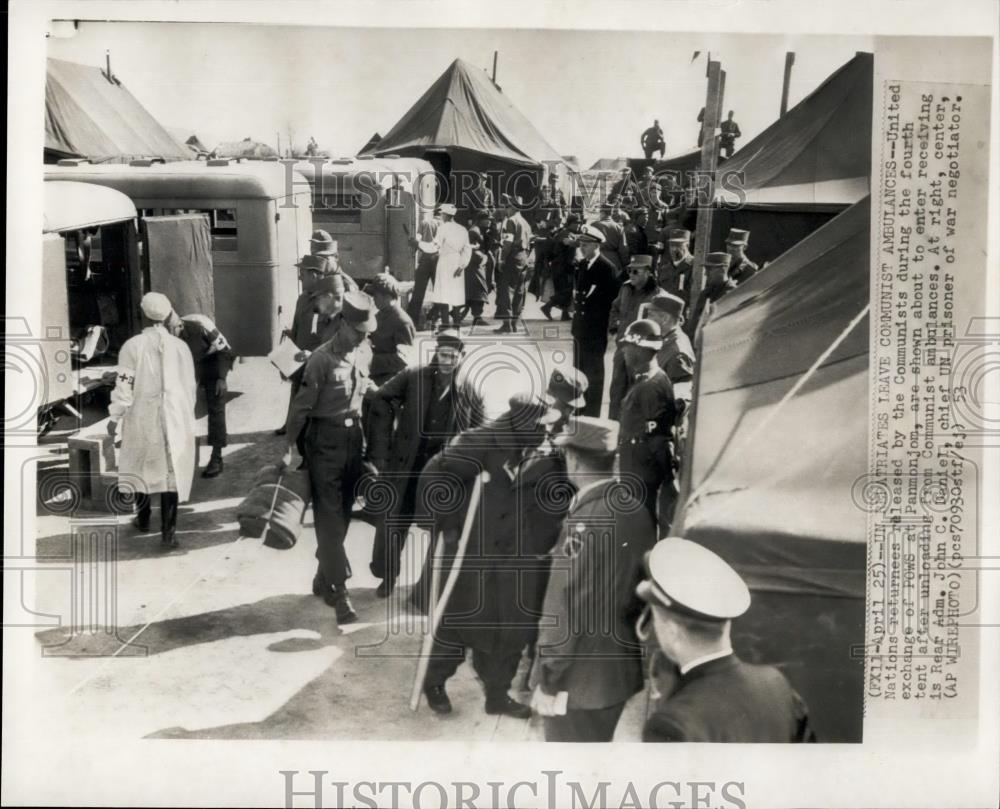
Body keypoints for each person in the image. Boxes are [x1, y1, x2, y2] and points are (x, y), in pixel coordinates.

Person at [420, 393, 561, 719]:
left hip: (516, 558)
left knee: (510, 629)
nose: (547, 432)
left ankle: (497, 695)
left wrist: (544, 539)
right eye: (542, 426)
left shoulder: (545, 451)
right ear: (521, 422)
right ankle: (435, 682)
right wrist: (449, 526)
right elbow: (434, 474)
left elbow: (555, 499)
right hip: (474, 552)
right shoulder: (479, 441)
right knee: (457, 624)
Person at [530, 416, 656, 742]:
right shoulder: (636, 509)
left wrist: (548, 679)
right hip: (618, 675)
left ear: (573, 459)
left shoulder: (583, 522)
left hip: (577, 684)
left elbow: (563, 608)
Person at [637, 538, 817, 743]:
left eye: (656, 620)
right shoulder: (776, 683)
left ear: (672, 630)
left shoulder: (670, 725)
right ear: (726, 625)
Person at [365, 329, 486, 598]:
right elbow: (381, 398)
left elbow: (481, 432)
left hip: (442, 472)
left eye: (453, 357)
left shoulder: (470, 391)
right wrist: (382, 448)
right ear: (436, 354)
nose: (447, 362)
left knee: (440, 529)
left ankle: (428, 586)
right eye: (443, 355)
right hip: (407, 464)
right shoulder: (413, 376)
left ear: (461, 358)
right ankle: (388, 576)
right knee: (395, 522)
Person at [283, 291, 378, 624]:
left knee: (343, 517)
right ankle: (340, 590)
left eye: (367, 331)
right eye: (359, 330)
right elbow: (300, 409)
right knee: (329, 516)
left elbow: (366, 392)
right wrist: (291, 449)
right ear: (343, 324)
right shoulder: (321, 359)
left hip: (354, 440)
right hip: (323, 442)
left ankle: (324, 577)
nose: (364, 337)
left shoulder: (363, 351)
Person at [108, 292, 197, 549]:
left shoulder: (131, 346)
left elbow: (124, 385)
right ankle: (168, 533)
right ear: (169, 314)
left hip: (141, 414)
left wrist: (116, 415)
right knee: (171, 469)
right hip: (175, 414)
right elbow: (190, 385)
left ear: (141, 314)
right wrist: (185, 413)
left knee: (139, 460)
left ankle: (143, 517)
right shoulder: (181, 347)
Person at [617, 319, 678, 531]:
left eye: (628, 346)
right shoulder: (651, 378)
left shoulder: (650, 387)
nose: (624, 350)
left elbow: (658, 438)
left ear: (641, 350)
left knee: (639, 525)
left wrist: (668, 478)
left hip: (642, 469)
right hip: (637, 463)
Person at [165, 310, 235, 478]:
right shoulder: (165, 333)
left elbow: (225, 350)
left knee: (216, 407)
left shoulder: (201, 325)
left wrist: (221, 377)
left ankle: (216, 458)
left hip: (212, 365)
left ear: (178, 324)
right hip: (190, 368)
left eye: (171, 330)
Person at [571, 226, 619, 417]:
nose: (582, 248)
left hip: (595, 330)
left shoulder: (607, 268)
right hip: (580, 329)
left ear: (596, 245)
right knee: (578, 372)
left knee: (594, 374)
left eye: (585, 245)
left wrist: (609, 326)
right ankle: (578, 410)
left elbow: (611, 302)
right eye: (581, 244)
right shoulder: (582, 265)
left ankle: (592, 414)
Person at [607, 254, 661, 421]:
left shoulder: (658, 295)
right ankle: (612, 428)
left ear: (648, 273)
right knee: (616, 392)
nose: (631, 275)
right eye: (629, 271)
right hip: (623, 348)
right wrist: (615, 326)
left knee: (636, 392)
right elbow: (615, 307)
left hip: (641, 353)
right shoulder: (625, 289)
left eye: (636, 271)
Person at [421, 203, 471, 330]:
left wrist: (419, 244)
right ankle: (457, 325)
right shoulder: (463, 229)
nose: (441, 215)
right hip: (457, 261)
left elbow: (434, 247)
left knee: (443, 294)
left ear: (445, 215)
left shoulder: (443, 228)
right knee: (456, 294)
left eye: (442, 213)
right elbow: (467, 249)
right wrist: (462, 265)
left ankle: (445, 325)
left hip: (445, 262)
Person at [365, 273, 415, 385]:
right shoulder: (379, 315)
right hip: (373, 375)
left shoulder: (403, 322)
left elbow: (402, 360)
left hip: (390, 381)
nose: (373, 300)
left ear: (387, 297)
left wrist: (371, 360)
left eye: (376, 296)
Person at [494, 194, 533, 334]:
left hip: (512, 257)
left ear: (512, 207)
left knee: (506, 290)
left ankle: (506, 325)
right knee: (519, 292)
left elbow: (507, 243)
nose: (506, 209)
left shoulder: (511, 221)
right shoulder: (525, 223)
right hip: (524, 257)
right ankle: (515, 324)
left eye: (507, 207)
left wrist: (502, 259)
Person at [540, 213, 581, 322]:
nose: (579, 225)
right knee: (565, 291)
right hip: (562, 267)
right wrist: (581, 242)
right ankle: (547, 307)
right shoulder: (565, 234)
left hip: (563, 266)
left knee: (564, 290)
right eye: (577, 223)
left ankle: (565, 314)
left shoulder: (567, 232)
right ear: (571, 223)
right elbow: (567, 243)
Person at [688, 252, 737, 338]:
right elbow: (694, 324)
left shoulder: (732, 294)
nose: (706, 274)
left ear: (723, 269)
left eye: (710, 269)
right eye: (706, 269)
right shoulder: (705, 293)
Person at [406, 211, 441, 330]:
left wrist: (414, 245)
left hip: (425, 259)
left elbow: (418, 239)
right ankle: (434, 320)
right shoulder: (443, 225)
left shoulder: (424, 222)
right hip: (438, 259)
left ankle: (412, 322)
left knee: (418, 292)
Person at [458, 226, 491, 326]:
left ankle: (462, 315)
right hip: (473, 270)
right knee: (477, 294)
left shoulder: (480, 231)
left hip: (474, 270)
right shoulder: (473, 232)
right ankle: (476, 317)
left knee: (473, 295)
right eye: (486, 220)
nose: (488, 223)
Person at [592, 203, 630, 278]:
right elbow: (623, 249)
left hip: (598, 259)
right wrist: (625, 264)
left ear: (602, 213)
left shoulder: (594, 225)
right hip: (614, 261)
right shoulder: (618, 227)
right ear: (611, 213)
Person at [656, 228, 694, 299]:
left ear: (687, 246)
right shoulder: (665, 269)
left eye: (678, 245)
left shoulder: (694, 266)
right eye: (672, 245)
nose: (674, 249)